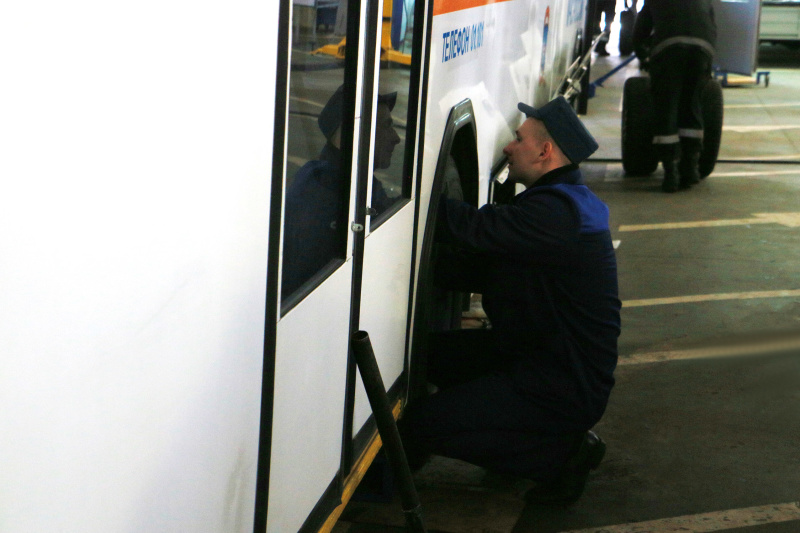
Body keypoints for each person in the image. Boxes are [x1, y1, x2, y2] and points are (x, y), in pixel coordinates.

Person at [399, 96, 621, 504]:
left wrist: (399, 195)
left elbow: (468, 226)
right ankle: (536, 435)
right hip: (538, 358)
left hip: (559, 382)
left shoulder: (557, 215)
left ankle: (561, 457)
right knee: (428, 358)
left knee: (423, 426)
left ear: (544, 151)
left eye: (518, 139)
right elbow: (487, 270)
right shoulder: (560, 204)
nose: (507, 147)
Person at [281, 85, 401, 298]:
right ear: (356, 134)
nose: (396, 138)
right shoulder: (335, 193)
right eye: (386, 126)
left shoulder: (323, 178)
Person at [632, 0, 717, 192]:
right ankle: (690, 169)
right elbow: (711, 25)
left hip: (668, 49)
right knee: (692, 105)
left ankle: (671, 172)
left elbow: (640, 29)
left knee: (667, 107)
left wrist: (642, 55)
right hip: (702, 48)